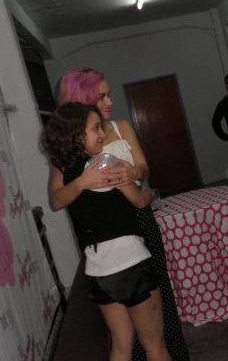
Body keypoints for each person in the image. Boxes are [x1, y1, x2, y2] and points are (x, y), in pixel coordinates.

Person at [52, 68, 189, 359]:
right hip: (126, 243)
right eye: (101, 96)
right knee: (152, 338)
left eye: (109, 94)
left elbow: (143, 169)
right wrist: (145, 190)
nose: (109, 101)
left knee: (125, 339)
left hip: (106, 253)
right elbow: (139, 198)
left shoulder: (115, 130)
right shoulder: (90, 158)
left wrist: (133, 172)